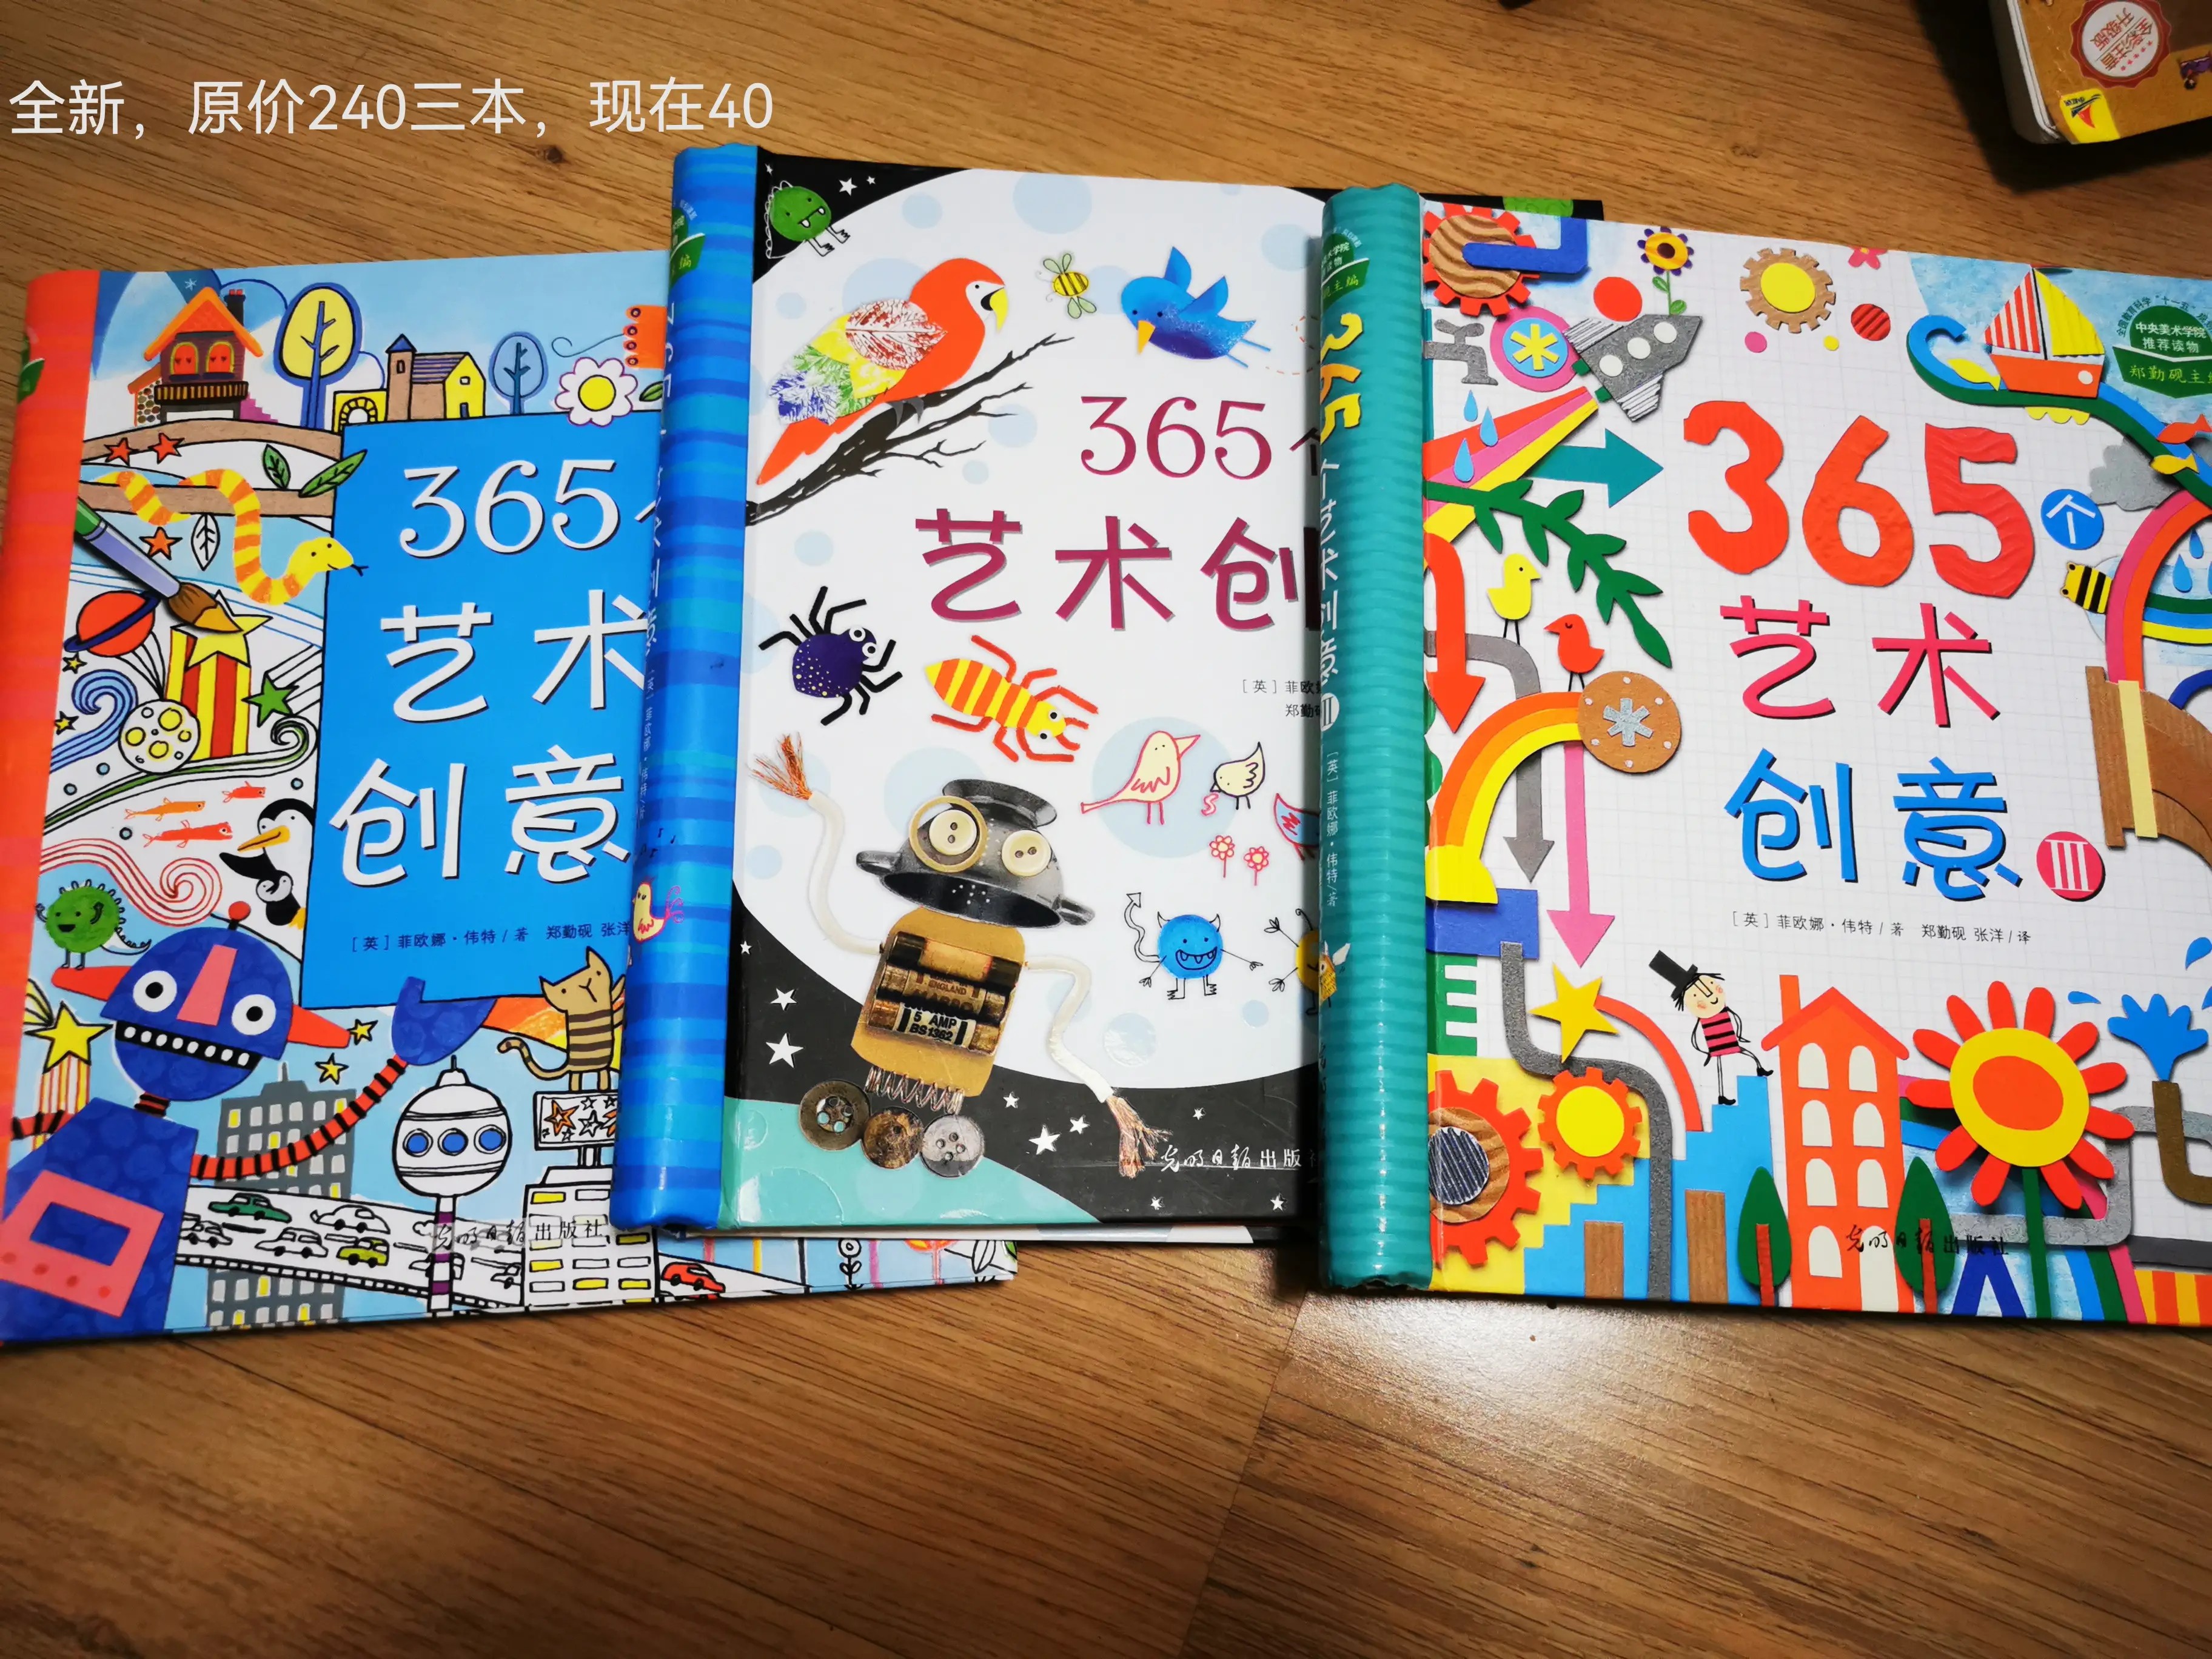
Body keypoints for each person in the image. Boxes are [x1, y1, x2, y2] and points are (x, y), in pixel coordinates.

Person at [1649, 951, 1771, 1107]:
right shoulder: (1703, 1017)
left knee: (1739, 1054)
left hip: (1728, 1038)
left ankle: (1759, 1069)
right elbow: (1696, 1038)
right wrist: (1704, 1050)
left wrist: (1739, 1035)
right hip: (1716, 1043)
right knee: (1722, 1065)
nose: (1710, 997)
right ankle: (1723, 1095)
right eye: (1696, 996)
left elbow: (1735, 1020)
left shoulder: (1721, 1010)